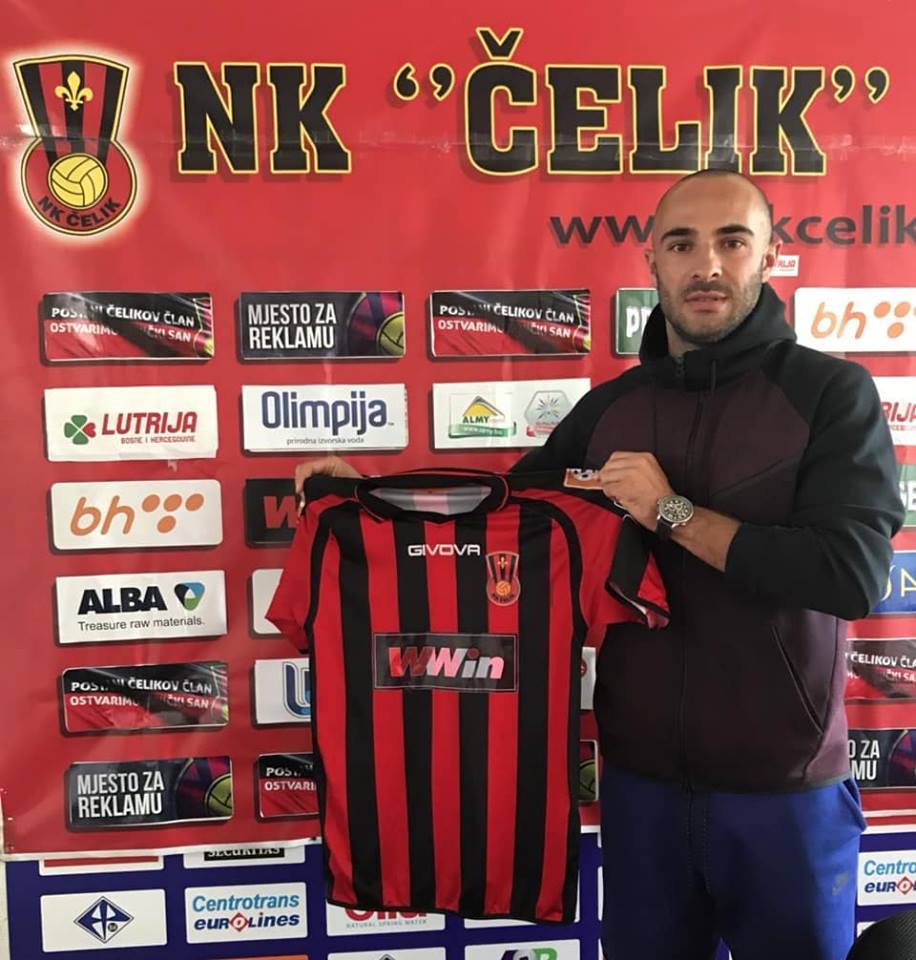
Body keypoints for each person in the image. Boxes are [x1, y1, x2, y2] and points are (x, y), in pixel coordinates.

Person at [294, 170, 903, 960]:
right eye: (681, 244)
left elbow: (849, 574)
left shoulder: (830, 394)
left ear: (769, 255)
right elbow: (503, 516)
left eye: (731, 241)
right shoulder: (611, 407)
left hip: (785, 791)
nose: (706, 265)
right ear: (652, 262)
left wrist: (671, 512)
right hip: (643, 787)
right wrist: (364, 499)